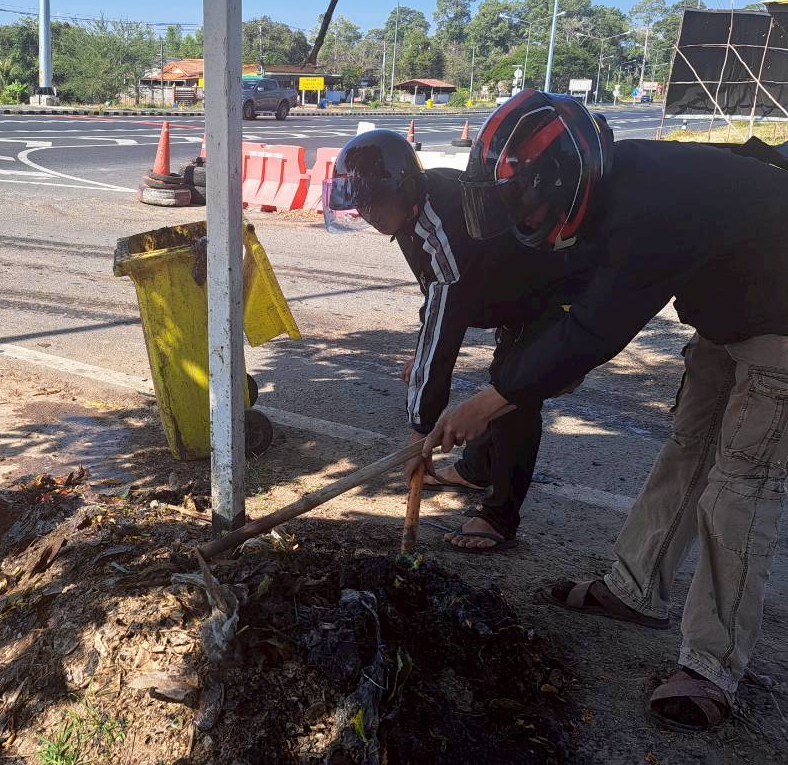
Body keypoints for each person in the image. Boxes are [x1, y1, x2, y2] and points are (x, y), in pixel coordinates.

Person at [427, 88, 788, 731]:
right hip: (728, 313)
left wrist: (494, 398)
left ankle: (711, 666)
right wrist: (520, 375)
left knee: (739, 488)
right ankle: (634, 589)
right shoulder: (605, 190)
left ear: (563, 179)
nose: (524, 216)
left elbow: (597, 328)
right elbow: (571, 306)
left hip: (780, 323)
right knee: (687, 451)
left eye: (527, 201)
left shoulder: (651, 208)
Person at [325, 129, 590, 551]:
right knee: (501, 380)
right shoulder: (413, 212)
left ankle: (500, 519)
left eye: (376, 202)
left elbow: (446, 319)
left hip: (555, 295)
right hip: (513, 294)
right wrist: (422, 353)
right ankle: (475, 470)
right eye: (361, 204)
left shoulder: (442, 224)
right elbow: (435, 295)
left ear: (405, 190)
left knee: (514, 393)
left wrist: (419, 433)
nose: (368, 213)